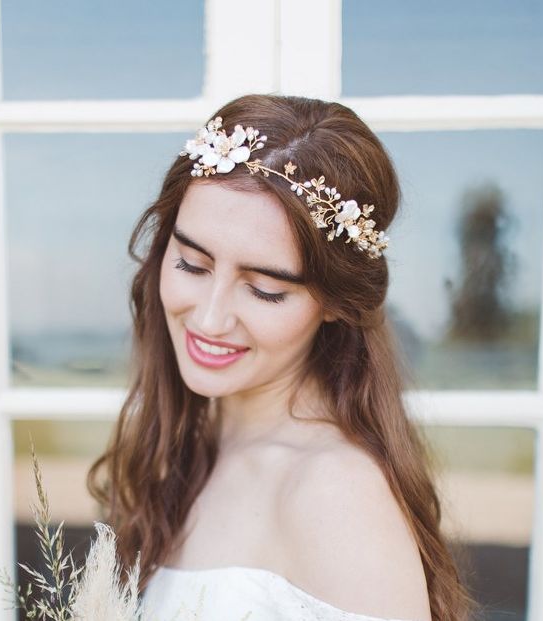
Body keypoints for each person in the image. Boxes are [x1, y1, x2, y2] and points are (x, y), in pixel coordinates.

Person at [88, 94, 477, 621]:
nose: (208, 319)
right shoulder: (193, 447)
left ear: (337, 305)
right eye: (191, 264)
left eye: (266, 290)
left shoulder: (337, 495)